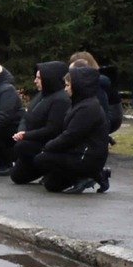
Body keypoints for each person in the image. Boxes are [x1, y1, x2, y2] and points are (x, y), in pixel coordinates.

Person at [36, 63, 113, 193]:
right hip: (77, 152)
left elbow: (71, 135)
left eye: (67, 85)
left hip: (87, 156)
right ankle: (94, 175)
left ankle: (86, 175)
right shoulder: (78, 103)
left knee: (42, 159)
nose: (65, 89)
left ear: (78, 86)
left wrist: (47, 146)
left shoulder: (88, 108)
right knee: (51, 185)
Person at [9, 61, 71, 185]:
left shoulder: (60, 100)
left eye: (39, 78)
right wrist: (21, 131)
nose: (35, 81)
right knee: (17, 176)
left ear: (49, 79)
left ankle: (51, 170)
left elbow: (52, 129)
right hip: (32, 138)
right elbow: (26, 117)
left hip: (46, 143)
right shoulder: (41, 95)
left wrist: (26, 135)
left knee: (21, 147)